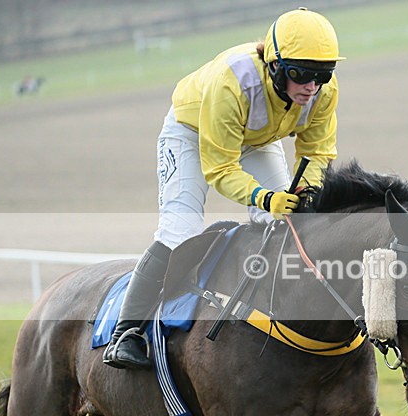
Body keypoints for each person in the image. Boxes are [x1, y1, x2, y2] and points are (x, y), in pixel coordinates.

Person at [103, 7, 344, 370]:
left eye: (322, 75)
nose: (311, 87)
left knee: (289, 223)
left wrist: (302, 196)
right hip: (192, 131)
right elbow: (220, 168)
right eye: (301, 75)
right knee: (180, 231)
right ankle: (127, 331)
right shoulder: (232, 82)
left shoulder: (322, 93)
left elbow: (317, 152)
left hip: (256, 137)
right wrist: (266, 197)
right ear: (275, 66)